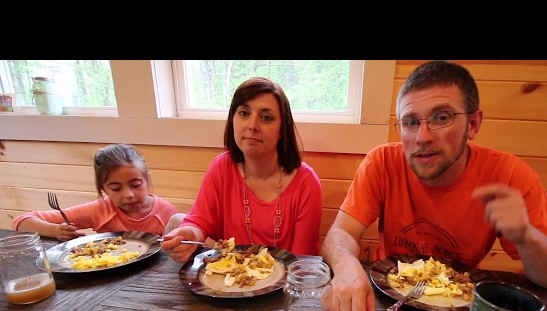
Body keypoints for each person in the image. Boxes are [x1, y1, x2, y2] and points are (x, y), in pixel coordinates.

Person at [321, 60, 547, 311]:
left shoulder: (510, 176)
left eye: (441, 118)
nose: (422, 137)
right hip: (385, 305)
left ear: (474, 124)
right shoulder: (382, 162)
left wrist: (527, 237)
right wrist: (346, 267)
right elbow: (340, 235)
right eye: (410, 122)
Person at [162, 77, 323, 263]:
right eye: (244, 113)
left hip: (286, 284)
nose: (252, 125)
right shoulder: (221, 168)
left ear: (281, 130)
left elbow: (302, 261)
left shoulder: (306, 182)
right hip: (231, 284)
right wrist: (188, 235)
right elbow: (199, 222)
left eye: (266, 117)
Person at [12, 143, 181, 240]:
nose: (128, 194)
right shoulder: (99, 210)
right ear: (103, 188)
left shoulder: (166, 212)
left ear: (147, 180)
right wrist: (55, 231)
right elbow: (21, 221)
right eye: (115, 188)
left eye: (136, 185)